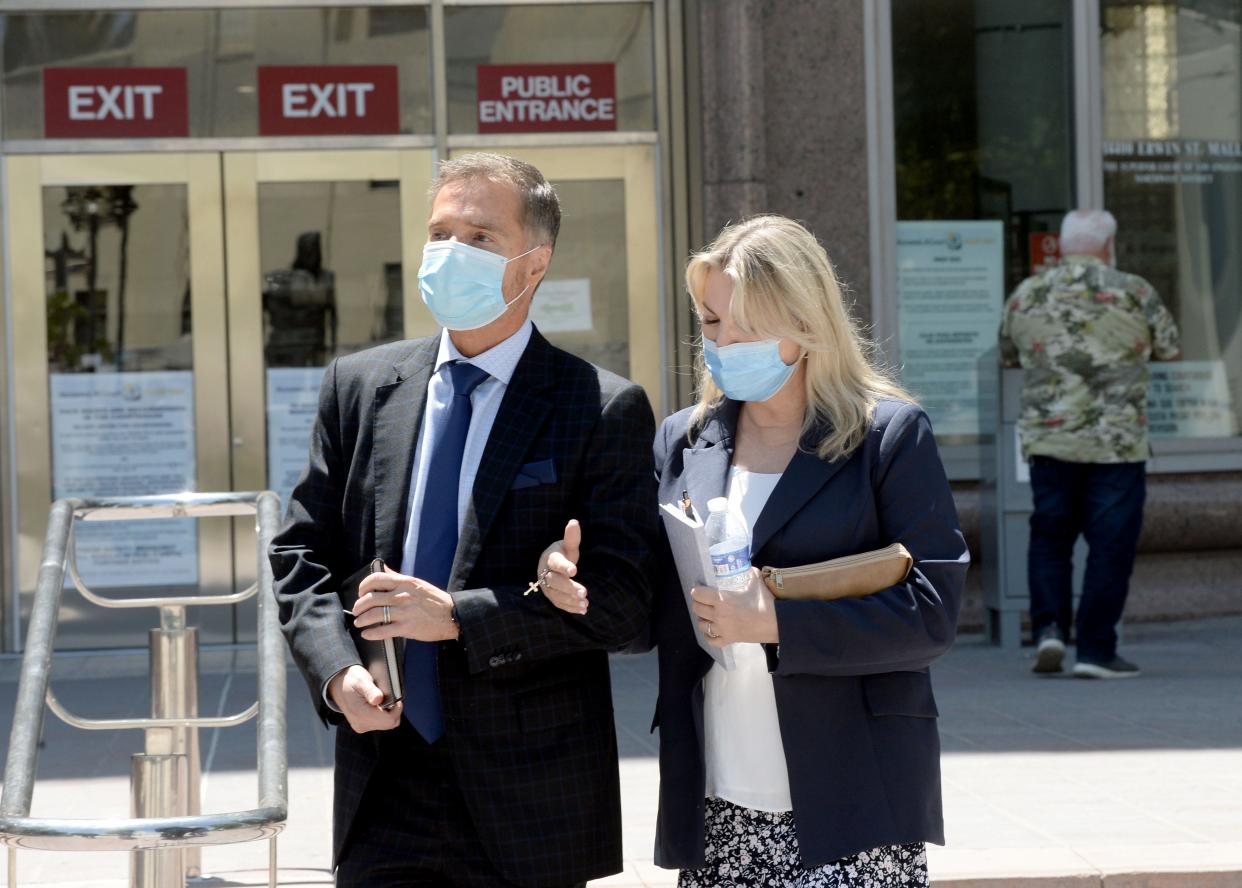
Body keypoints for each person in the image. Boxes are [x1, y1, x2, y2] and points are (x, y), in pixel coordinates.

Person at [542, 215, 969, 887]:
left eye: (747, 327)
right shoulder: (684, 439)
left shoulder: (887, 435)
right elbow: (652, 604)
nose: (723, 342)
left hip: (850, 794)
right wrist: (576, 583)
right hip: (717, 797)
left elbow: (933, 614)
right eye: (713, 324)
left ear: (805, 327)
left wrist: (774, 621)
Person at [270, 152, 658, 887]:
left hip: (529, 800)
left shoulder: (598, 407)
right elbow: (300, 554)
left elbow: (627, 609)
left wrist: (463, 619)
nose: (450, 253)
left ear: (532, 263)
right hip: (385, 780)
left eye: (478, 237)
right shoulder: (360, 388)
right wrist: (336, 671)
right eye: (438, 232)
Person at [1000, 209, 1181, 679]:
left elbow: (1007, 353)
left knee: (1049, 538)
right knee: (1110, 545)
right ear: (1108, 245)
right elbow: (1171, 348)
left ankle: (1049, 631)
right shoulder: (1135, 290)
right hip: (1115, 443)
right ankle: (1097, 651)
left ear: (1061, 246)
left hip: (1050, 437)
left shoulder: (1028, 293)